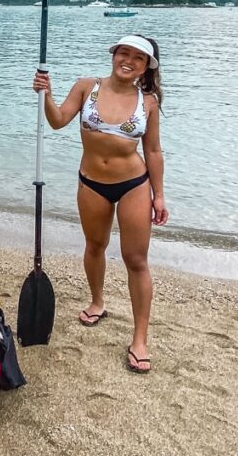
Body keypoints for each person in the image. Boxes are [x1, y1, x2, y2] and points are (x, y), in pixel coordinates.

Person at [32, 34, 168, 373]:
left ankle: (139, 339)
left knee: (135, 259)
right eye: (124, 53)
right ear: (114, 55)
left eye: (138, 58)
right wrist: (45, 94)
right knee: (95, 245)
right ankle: (97, 302)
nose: (129, 61)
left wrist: (160, 195)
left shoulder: (147, 101)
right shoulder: (86, 86)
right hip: (91, 182)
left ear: (145, 67)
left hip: (134, 184)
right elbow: (58, 120)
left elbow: (152, 150)